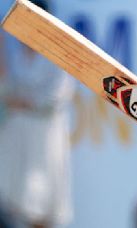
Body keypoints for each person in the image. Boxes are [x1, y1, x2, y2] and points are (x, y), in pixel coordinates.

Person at [0, 1, 75, 227]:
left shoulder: (61, 55)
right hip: (17, 143)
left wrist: (21, 102)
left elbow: (53, 100)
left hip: (45, 143)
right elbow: (6, 90)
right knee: (14, 207)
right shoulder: (14, 53)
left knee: (42, 209)